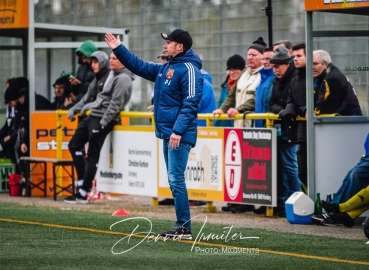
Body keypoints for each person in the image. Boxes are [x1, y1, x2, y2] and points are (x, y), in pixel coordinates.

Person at [105, 29, 203, 240]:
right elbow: (139, 66)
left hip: (179, 133)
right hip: (169, 133)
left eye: (169, 42)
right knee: (174, 179)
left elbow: (191, 103)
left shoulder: (189, 69)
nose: (165, 45)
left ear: (180, 47)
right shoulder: (167, 67)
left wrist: (178, 130)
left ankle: (184, 227)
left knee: (176, 179)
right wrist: (118, 49)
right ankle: (182, 226)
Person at [64, 51, 134, 204]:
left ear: (123, 61)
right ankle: (82, 184)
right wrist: (77, 108)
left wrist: (104, 122)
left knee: (92, 156)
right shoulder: (112, 75)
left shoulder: (123, 78)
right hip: (93, 116)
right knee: (73, 145)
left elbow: (115, 105)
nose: (111, 61)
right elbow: (97, 99)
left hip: (102, 120)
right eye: (110, 58)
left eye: (115, 58)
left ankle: (82, 193)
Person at [268, 46, 300, 217]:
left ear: (287, 64)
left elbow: (291, 103)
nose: (274, 70)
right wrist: (282, 111)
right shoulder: (278, 80)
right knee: (281, 167)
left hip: (291, 129)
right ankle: (285, 201)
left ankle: (296, 199)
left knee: (290, 166)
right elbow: (272, 103)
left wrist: (282, 110)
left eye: (277, 66)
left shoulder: (295, 78)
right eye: (273, 66)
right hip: (281, 128)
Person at [213, 37, 266, 128]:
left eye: (254, 55)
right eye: (248, 54)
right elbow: (232, 95)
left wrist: (238, 110)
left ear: (263, 57)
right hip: (238, 125)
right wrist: (222, 109)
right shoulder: (244, 73)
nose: (250, 57)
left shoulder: (264, 75)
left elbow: (256, 99)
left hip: (254, 127)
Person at [2, 77, 52, 173]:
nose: (10, 105)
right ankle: (23, 176)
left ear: (15, 98)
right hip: (35, 137)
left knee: (16, 146)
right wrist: (24, 142)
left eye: (10, 102)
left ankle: (22, 176)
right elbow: (26, 125)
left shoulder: (35, 103)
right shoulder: (22, 107)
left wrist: (23, 141)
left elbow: (33, 125)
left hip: (45, 137)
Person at [281, 43, 308, 190]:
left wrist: (302, 109)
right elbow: (290, 100)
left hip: (316, 131)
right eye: (294, 56)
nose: (295, 59)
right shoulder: (295, 80)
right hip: (301, 131)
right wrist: (290, 110)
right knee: (302, 173)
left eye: (299, 56)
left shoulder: (314, 78)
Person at [312, 50, 362, 116]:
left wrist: (313, 112)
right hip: (342, 120)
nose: (312, 67)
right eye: (310, 64)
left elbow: (329, 105)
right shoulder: (321, 77)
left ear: (326, 64)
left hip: (348, 121)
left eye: (315, 64)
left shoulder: (332, 78)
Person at [214, 54, 245, 127]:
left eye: (234, 69)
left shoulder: (244, 86)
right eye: (229, 69)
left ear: (242, 70)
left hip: (238, 127)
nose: (231, 72)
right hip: (223, 128)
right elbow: (220, 107)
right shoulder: (224, 86)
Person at [254, 47, 275, 128]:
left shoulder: (276, 78)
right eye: (263, 59)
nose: (265, 62)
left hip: (271, 127)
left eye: (268, 59)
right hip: (260, 129)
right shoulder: (262, 78)